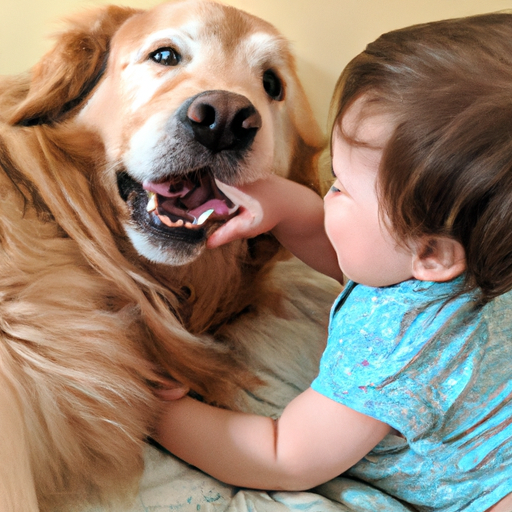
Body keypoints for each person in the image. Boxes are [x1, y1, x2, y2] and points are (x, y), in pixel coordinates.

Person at [155, 12, 512, 512]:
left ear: (431, 255)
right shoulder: (466, 252)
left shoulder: (392, 355)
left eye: (341, 188)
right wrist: (279, 204)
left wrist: (160, 414)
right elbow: (355, 260)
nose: (327, 194)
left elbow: (286, 457)